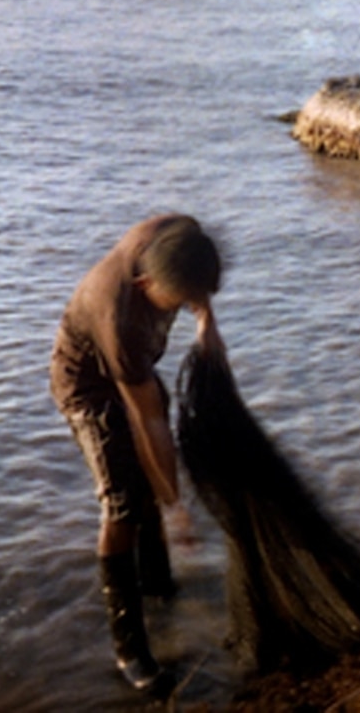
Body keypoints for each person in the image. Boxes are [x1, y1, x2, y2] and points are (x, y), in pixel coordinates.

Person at [49, 211, 222, 693]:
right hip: (89, 387)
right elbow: (147, 423)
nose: (182, 306)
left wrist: (205, 320)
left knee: (151, 479)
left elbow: (197, 278)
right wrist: (175, 506)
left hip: (136, 371)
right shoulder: (119, 317)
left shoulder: (179, 233)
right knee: (125, 501)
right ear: (147, 283)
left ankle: (158, 584)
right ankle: (129, 648)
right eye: (177, 301)